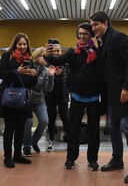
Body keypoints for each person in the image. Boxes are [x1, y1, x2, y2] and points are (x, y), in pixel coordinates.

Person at [89, 11, 128, 183]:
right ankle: (117, 159)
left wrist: (127, 87)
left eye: (96, 24)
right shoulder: (102, 41)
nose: (93, 28)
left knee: (127, 126)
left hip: (124, 92)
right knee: (113, 127)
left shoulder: (120, 37)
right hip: (112, 94)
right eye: (92, 25)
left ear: (105, 23)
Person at [44, 23, 103, 171]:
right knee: (73, 129)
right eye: (80, 34)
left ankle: (92, 160)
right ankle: (71, 158)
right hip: (77, 96)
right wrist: (47, 55)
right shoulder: (73, 52)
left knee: (93, 131)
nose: (82, 36)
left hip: (94, 97)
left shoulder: (97, 52)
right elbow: (57, 61)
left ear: (91, 35)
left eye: (86, 34)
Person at [0, 33, 38, 168]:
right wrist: (16, 71)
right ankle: (7, 156)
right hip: (10, 97)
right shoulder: (7, 56)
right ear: (15, 45)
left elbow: (32, 83)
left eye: (24, 44)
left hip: (23, 99)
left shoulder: (29, 60)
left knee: (21, 128)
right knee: (9, 129)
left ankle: (18, 155)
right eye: (19, 44)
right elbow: (1, 73)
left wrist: (34, 75)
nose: (22, 46)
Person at [22, 47, 55, 156]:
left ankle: (34, 142)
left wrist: (51, 76)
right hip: (27, 98)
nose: (45, 58)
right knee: (28, 123)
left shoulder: (46, 70)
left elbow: (49, 89)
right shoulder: (29, 66)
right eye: (42, 56)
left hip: (39, 99)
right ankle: (26, 146)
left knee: (44, 121)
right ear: (36, 57)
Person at [45, 42, 70, 151]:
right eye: (54, 51)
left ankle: (70, 139)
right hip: (50, 96)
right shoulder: (47, 64)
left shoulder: (66, 64)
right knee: (51, 119)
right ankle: (51, 140)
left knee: (65, 118)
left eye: (58, 51)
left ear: (61, 52)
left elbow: (70, 79)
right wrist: (52, 74)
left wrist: (61, 73)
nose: (56, 53)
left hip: (63, 95)